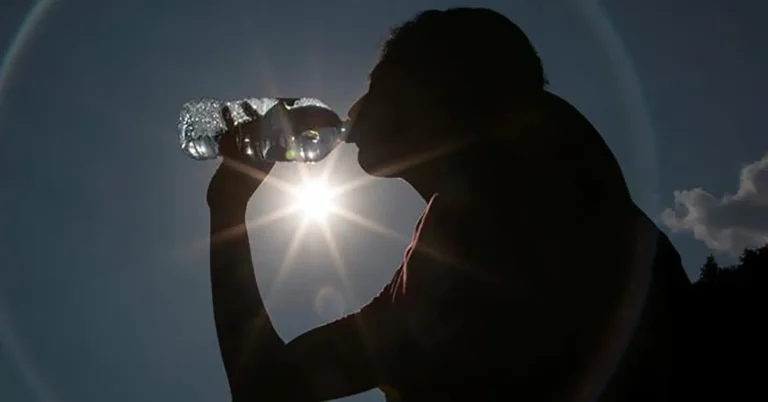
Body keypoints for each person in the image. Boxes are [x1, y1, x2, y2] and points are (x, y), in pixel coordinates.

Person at [205, 7, 691, 402]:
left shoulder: (523, 198)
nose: (354, 111)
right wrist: (227, 208)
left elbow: (267, 388)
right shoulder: (425, 281)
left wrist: (227, 211)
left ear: (437, 89)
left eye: (376, 89)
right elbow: (268, 386)